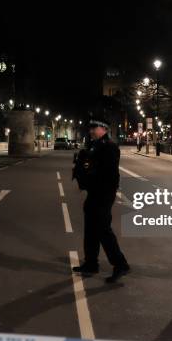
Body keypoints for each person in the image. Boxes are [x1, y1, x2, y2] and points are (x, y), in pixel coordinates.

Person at [72, 116, 130, 283]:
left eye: (94, 128)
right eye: (90, 128)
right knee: (90, 228)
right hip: (94, 193)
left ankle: (120, 264)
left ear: (104, 129)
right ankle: (91, 263)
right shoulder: (94, 146)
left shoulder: (109, 147)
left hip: (103, 194)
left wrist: (89, 170)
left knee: (103, 229)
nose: (91, 131)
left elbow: (108, 174)